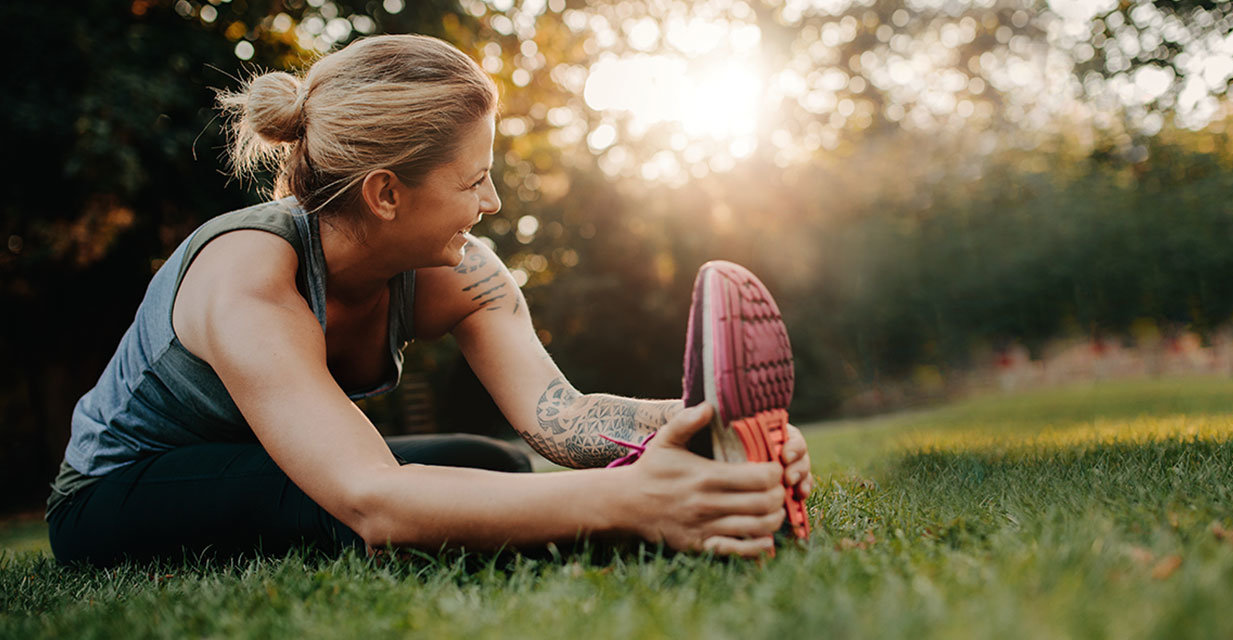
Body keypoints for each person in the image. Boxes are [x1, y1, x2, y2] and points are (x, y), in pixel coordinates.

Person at [45, 34, 813, 568]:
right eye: (472, 180)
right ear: (386, 193)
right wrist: (634, 502)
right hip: (121, 491)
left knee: (496, 468)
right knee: (352, 513)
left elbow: (564, 419)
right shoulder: (250, 274)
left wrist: (707, 427)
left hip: (261, 464)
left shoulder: (460, 271)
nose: (494, 199)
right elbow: (375, 499)